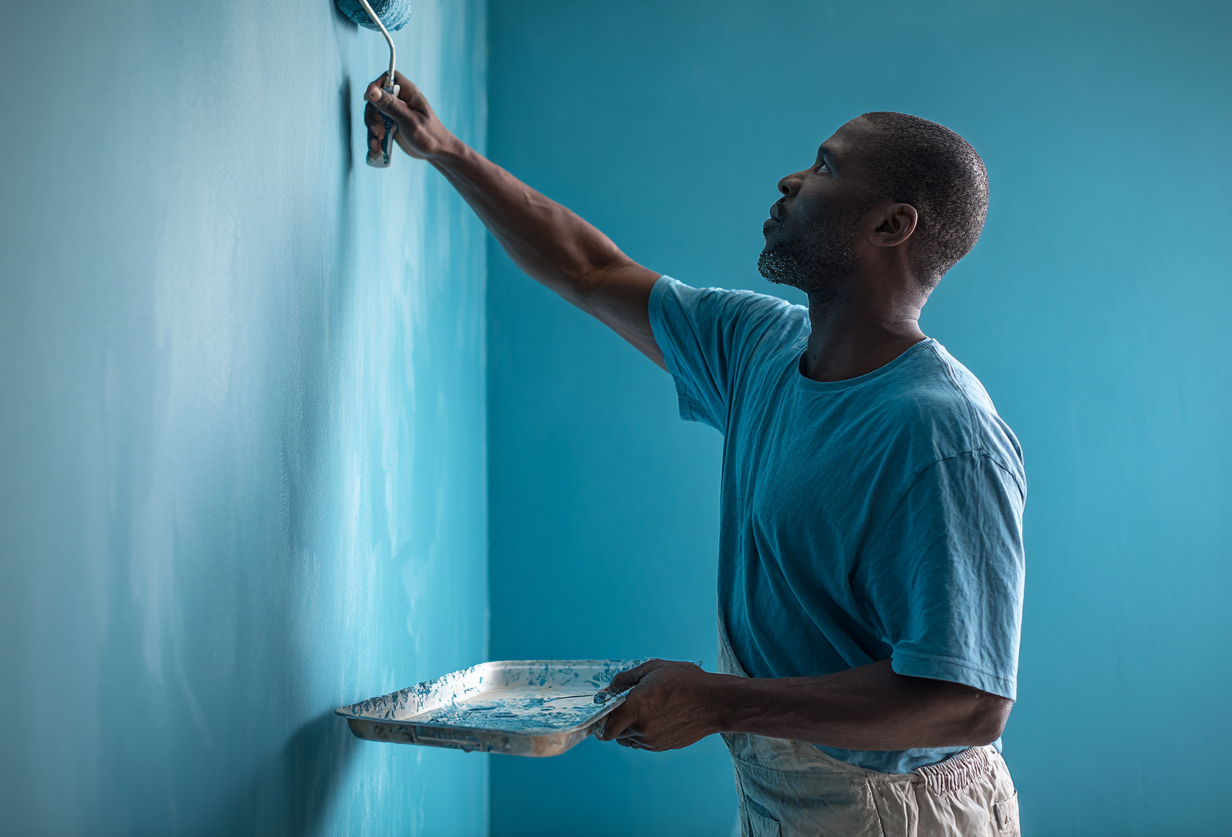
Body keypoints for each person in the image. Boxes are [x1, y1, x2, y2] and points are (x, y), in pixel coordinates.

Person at [364, 72, 1025, 837]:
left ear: (892, 226)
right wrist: (444, 150)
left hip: (900, 816)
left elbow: (968, 701)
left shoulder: (942, 435)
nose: (791, 179)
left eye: (825, 167)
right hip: (788, 788)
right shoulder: (761, 348)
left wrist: (720, 701)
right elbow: (591, 270)